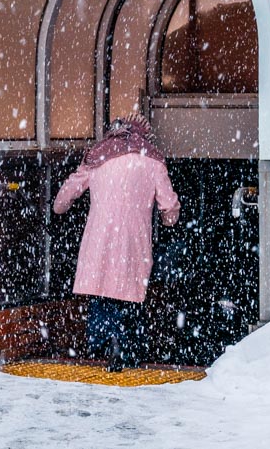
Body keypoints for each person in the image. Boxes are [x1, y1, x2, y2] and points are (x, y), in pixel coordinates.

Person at [51, 113, 180, 370]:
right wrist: (168, 220)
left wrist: (60, 208)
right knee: (129, 295)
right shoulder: (153, 161)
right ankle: (126, 346)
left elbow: (64, 198)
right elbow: (170, 207)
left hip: (99, 240)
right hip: (134, 242)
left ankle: (103, 341)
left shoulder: (98, 157)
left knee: (102, 291)